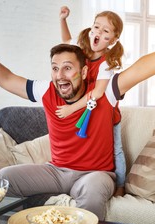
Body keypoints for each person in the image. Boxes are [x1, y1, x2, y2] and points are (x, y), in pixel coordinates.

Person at [0, 15, 155, 220]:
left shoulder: (105, 92)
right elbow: (5, 78)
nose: (60, 75)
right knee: (3, 178)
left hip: (95, 175)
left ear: (84, 70)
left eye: (67, 68)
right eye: (55, 68)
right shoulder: (47, 90)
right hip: (56, 171)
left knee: (90, 195)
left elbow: (142, 68)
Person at [58, 6, 127, 191]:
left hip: (107, 115)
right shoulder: (81, 51)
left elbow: (97, 93)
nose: (98, 32)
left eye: (105, 31)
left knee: (117, 150)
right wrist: (63, 19)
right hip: (89, 114)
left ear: (113, 39)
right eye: (96, 27)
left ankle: (120, 186)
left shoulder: (106, 64)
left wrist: (71, 109)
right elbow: (66, 40)